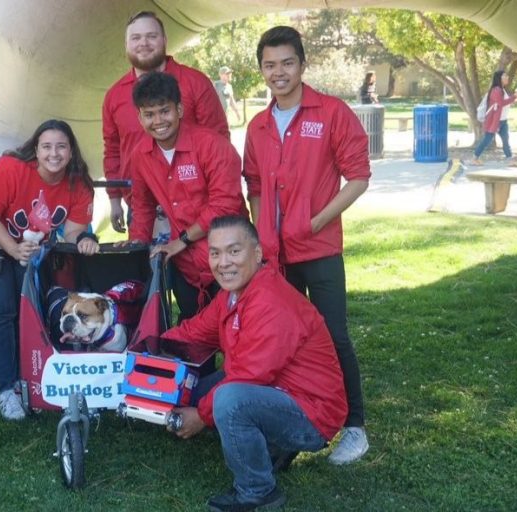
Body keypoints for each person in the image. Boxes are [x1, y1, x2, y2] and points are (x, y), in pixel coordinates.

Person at [242, 26, 371, 465]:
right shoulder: (258, 126)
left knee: (333, 336)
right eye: (269, 65)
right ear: (262, 70)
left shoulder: (331, 112)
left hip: (320, 251)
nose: (278, 73)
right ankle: (294, 427)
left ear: (302, 64)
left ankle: (354, 425)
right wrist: (262, 229)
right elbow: (254, 184)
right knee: (286, 344)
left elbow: (358, 177)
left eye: (287, 63)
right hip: (275, 256)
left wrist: (315, 220)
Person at [167, 216, 348, 511]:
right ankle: (276, 446)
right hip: (279, 390)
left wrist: (200, 417)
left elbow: (249, 376)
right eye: (215, 253)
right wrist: (152, 345)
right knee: (201, 393)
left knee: (228, 400)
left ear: (258, 253)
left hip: (313, 413)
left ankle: (258, 492)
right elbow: (196, 330)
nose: (223, 262)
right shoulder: (232, 294)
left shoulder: (271, 301)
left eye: (233, 251)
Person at [0, 119, 99, 420]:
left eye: (61, 146)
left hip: (30, 252)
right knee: (0, 314)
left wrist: (87, 238)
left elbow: (74, 231)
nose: (54, 153)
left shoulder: (79, 183)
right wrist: (12, 249)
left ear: (71, 151)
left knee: (28, 313)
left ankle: (30, 381)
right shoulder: (11, 168)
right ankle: (6, 388)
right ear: (35, 150)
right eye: (47, 146)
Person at [122, 71, 247, 323]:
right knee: (196, 338)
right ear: (139, 117)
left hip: (230, 257)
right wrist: (137, 245)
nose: (158, 120)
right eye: (149, 114)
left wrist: (182, 240)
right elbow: (143, 205)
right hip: (186, 267)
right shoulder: (140, 155)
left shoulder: (212, 145)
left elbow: (225, 204)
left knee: (239, 333)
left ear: (179, 110)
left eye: (164, 111)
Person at [102, 10, 229, 233]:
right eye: (136, 38)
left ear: (165, 41)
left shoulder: (195, 83)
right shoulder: (114, 96)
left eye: (151, 36)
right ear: (126, 45)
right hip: (141, 209)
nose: (143, 43)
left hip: (197, 208)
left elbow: (219, 141)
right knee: (147, 266)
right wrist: (114, 200)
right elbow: (113, 150)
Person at [471, 69, 517, 166]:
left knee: (505, 140)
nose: (507, 77)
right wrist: (515, 96)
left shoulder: (502, 90)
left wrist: (515, 98)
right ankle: (475, 158)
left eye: (507, 76)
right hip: (495, 121)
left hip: (503, 120)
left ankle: (510, 160)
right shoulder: (496, 90)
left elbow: (504, 104)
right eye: (505, 76)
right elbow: (501, 103)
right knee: (487, 140)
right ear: (499, 78)